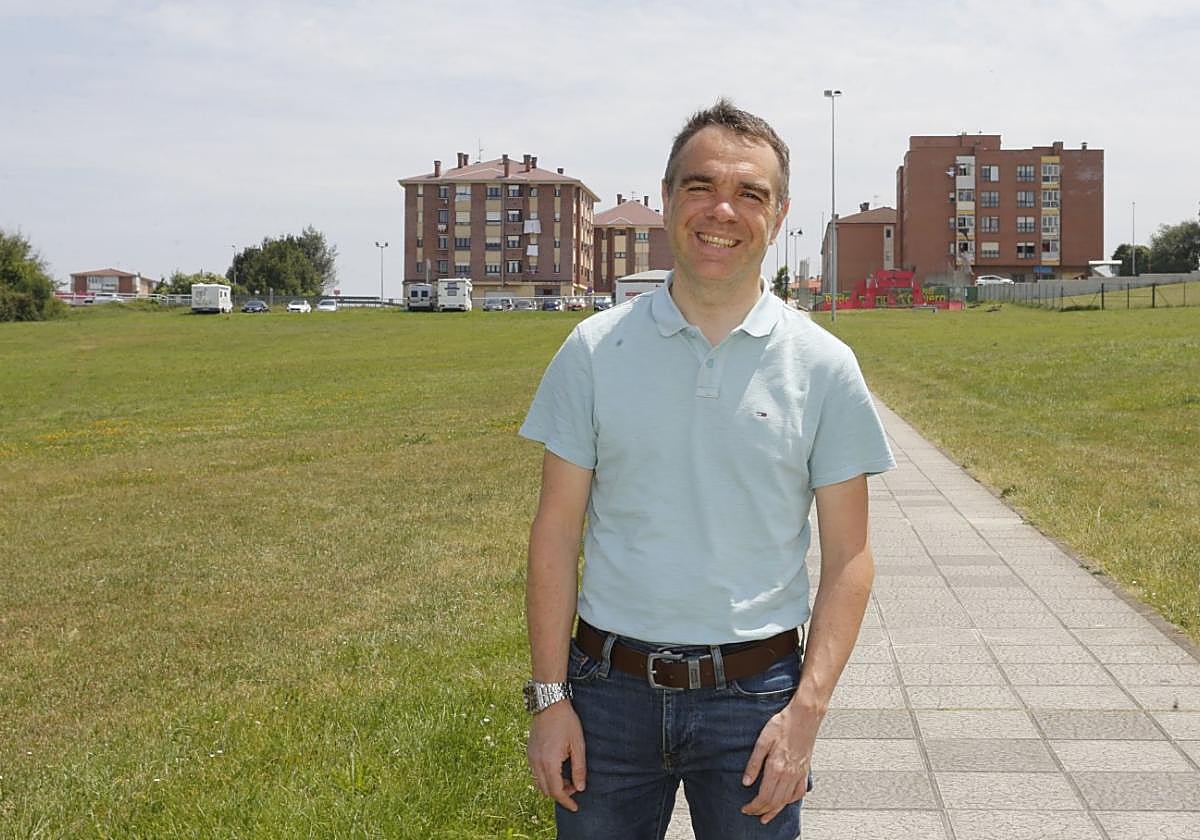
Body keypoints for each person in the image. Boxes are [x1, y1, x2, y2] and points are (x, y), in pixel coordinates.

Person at [519, 99, 895, 839]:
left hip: (756, 702)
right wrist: (548, 698)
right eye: (700, 187)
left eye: (750, 193)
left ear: (779, 214)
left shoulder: (823, 366)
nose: (722, 210)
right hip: (606, 698)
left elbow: (851, 557)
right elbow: (556, 533)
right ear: (666, 201)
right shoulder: (593, 352)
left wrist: (807, 713)